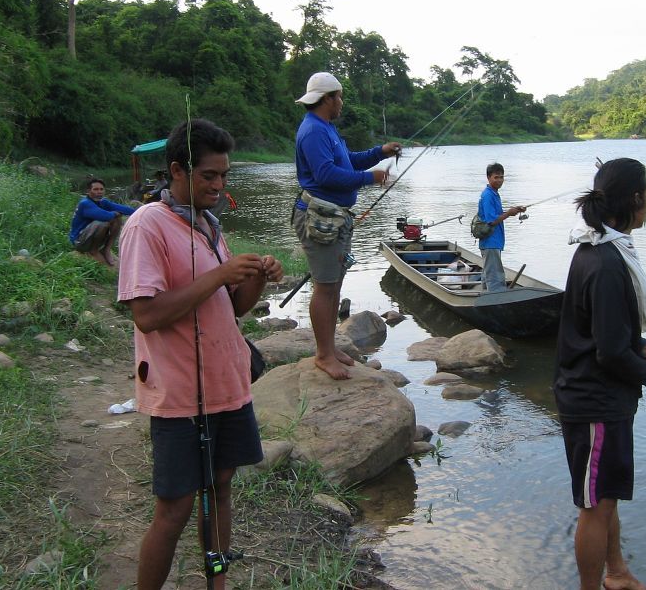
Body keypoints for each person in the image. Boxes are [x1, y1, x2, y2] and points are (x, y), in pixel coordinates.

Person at [117, 119, 284, 590]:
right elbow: (146, 314)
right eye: (209, 175)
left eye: (224, 176)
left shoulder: (209, 226)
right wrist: (220, 273)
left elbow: (232, 308)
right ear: (176, 170)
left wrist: (253, 276)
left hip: (225, 384)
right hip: (178, 392)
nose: (218, 185)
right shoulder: (146, 225)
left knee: (222, 486)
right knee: (175, 507)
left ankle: (218, 583)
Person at [553, 157, 646, 590]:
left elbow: (606, 330)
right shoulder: (604, 262)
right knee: (594, 507)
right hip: (594, 404)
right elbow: (607, 352)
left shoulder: (600, 249)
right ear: (636, 198)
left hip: (605, 401)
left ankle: (617, 573)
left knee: (606, 498)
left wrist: (643, 346)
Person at [292, 71, 401, 380]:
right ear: (327, 99)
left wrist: (380, 152)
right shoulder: (313, 131)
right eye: (338, 97)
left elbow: (348, 161)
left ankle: (329, 348)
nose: (341, 102)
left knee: (334, 285)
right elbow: (326, 175)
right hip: (319, 218)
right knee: (325, 287)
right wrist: (373, 177)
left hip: (334, 217)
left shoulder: (326, 128)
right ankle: (323, 354)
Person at [477, 163, 526, 292]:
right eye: (496, 177)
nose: (499, 180)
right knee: (495, 276)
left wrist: (514, 210)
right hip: (490, 241)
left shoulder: (494, 193)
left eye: (501, 177)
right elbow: (491, 220)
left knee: (489, 271)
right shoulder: (488, 195)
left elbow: (497, 214)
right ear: (488, 177)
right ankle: (495, 299)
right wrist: (509, 213)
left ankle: (485, 296)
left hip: (494, 241)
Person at [68, 178, 135, 266]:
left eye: (101, 189)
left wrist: (140, 211)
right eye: (95, 189)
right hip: (80, 241)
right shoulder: (85, 203)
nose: (99, 192)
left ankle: (106, 249)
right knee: (103, 222)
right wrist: (115, 213)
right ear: (88, 191)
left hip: (90, 236)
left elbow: (122, 208)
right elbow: (105, 216)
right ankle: (94, 250)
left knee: (117, 219)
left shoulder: (102, 202)